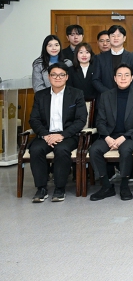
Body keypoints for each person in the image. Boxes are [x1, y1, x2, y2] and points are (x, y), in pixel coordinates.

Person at [88, 64, 133, 201]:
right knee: (94, 150)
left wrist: (124, 137)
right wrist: (107, 137)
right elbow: (100, 121)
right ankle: (106, 186)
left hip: (130, 136)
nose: (123, 78)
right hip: (109, 135)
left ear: (132, 78)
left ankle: (124, 185)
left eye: (126, 75)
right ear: (114, 78)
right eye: (119, 75)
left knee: (125, 150)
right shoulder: (105, 96)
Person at [28, 63, 88, 202]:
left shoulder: (76, 94)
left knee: (61, 150)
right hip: (46, 134)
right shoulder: (40, 95)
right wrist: (45, 135)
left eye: (61, 75)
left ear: (67, 77)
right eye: (54, 75)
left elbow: (80, 120)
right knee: (36, 149)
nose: (57, 78)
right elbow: (34, 119)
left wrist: (62, 135)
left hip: (67, 135)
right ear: (49, 77)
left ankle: (60, 188)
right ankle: (41, 188)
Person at [92, 25, 133, 93]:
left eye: (118, 35)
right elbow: (95, 80)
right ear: (109, 38)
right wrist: (108, 93)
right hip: (106, 96)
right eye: (113, 35)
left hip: (128, 96)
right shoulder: (99, 58)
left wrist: (126, 91)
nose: (115, 38)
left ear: (124, 38)